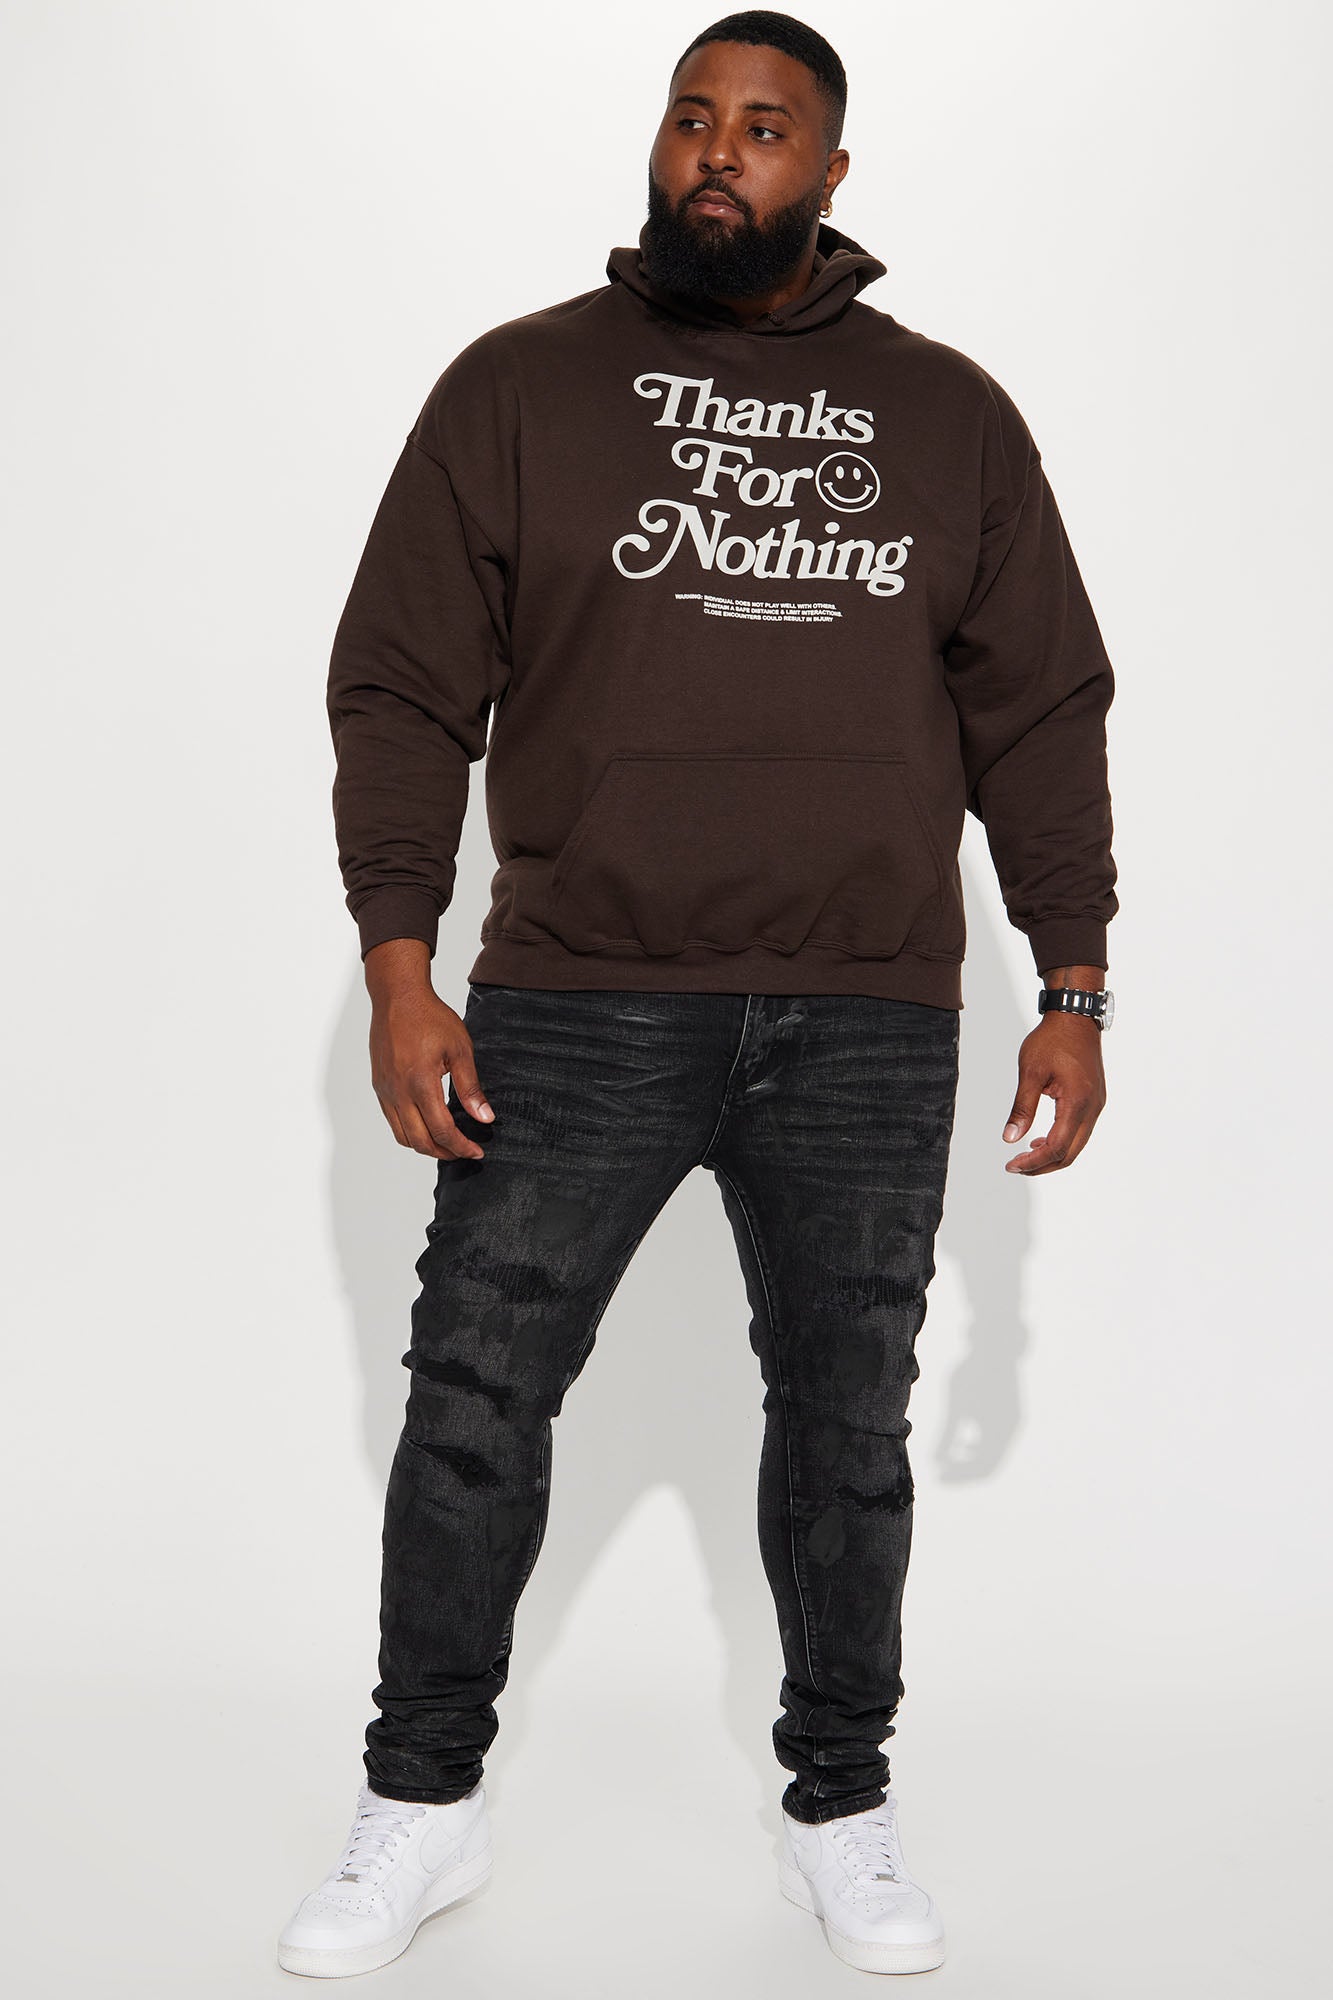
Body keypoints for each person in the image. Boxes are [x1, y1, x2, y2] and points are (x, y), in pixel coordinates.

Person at [278, 7, 1117, 1980]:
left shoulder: (949, 418)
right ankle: (423, 1800)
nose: (718, 152)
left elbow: (1039, 713)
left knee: (846, 1429)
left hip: (867, 1009)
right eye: (689, 119)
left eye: (764, 127)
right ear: (659, 147)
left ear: (830, 171)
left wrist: (1072, 984)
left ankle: (840, 1805)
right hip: (578, 993)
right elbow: (398, 685)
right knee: (477, 1402)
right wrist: (400, 964)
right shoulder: (519, 388)